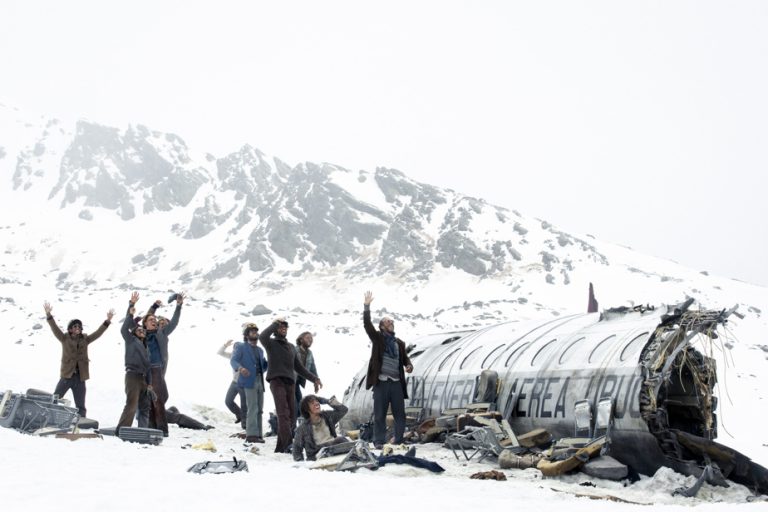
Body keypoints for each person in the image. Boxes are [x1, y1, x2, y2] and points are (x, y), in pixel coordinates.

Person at [259, 318, 322, 453]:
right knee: (283, 414)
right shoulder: (270, 343)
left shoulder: (290, 347)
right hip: (277, 381)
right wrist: (275, 323)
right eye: (281, 327)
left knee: (292, 416)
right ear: (276, 330)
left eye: (285, 327)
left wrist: (314, 379)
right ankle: (288, 444)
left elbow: (299, 368)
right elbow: (262, 336)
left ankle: (281, 447)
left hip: (290, 383)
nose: (283, 329)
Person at [43, 302, 114, 418]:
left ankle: (81, 423)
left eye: (79, 326)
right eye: (75, 326)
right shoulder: (64, 338)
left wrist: (107, 321)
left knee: (80, 404)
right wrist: (49, 315)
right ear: (70, 329)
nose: (78, 328)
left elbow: (98, 333)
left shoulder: (85, 339)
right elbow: (54, 328)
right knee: (55, 398)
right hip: (67, 376)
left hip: (80, 378)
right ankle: (47, 417)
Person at [363, 291, 413, 448]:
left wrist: (409, 365)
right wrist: (366, 307)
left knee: (400, 413)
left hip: (396, 383)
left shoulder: (399, 343)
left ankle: (398, 439)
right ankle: (379, 441)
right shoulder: (378, 339)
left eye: (392, 321)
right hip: (382, 382)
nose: (391, 323)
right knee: (380, 414)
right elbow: (367, 325)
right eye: (388, 321)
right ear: (382, 326)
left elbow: (404, 358)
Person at [136, 293, 184, 434]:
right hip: (144, 370)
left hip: (156, 370)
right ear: (145, 323)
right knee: (147, 401)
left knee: (158, 401)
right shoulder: (142, 333)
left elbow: (174, 322)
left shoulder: (161, 333)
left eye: (155, 320)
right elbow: (147, 317)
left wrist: (179, 306)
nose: (154, 321)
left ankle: (162, 430)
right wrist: (154, 307)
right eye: (151, 320)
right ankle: (150, 428)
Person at [117, 292, 154, 430]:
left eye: (143, 331)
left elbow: (148, 367)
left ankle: (142, 430)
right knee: (131, 405)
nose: (142, 332)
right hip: (132, 375)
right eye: (139, 330)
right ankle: (122, 430)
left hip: (143, 378)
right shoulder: (131, 340)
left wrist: (150, 383)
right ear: (134, 333)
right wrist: (131, 308)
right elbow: (123, 329)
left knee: (145, 407)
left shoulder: (146, 348)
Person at [230, 323, 268, 443]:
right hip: (248, 381)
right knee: (252, 407)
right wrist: (241, 369)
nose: (255, 333)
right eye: (252, 331)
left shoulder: (260, 350)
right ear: (246, 335)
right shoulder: (241, 347)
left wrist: (269, 362)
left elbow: (263, 366)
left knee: (260, 409)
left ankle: (259, 434)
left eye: (256, 331)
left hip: (259, 380)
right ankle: (251, 435)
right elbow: (233, 360)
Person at [292, 395, 349, 461]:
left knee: (341, 440)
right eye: (312, 403)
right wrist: (301, 463)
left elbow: (343, 410)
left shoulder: (327, 416)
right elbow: (297, 448)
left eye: (317, 401)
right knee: (339, 441)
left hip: (333, 449)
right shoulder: (302, 428)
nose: (316, 403)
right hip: (317, 455)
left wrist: (327, 401)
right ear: (306, 409)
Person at [218, 339, 247, 428]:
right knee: (228, 401)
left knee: (244, 405)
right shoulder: (232, 356)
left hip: (243, 383)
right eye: (234, 348)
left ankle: (245, 424)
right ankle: (239, 415)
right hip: (234, 382)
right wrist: (225, 345)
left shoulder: (246, 357)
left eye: (237, 348)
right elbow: (220, 352)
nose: (235, 350)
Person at [294, 331, 318, 424]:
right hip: (290, 380)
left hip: (298, 382)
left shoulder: (309, 353)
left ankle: (300, 426)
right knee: (294, 404)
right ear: (301, 339)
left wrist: (316, 381)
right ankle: (293, 427)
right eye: (308, 338)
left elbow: (312, 368)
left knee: (300, 403)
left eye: (311, 338)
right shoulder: (294, 350)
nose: (310, 340)